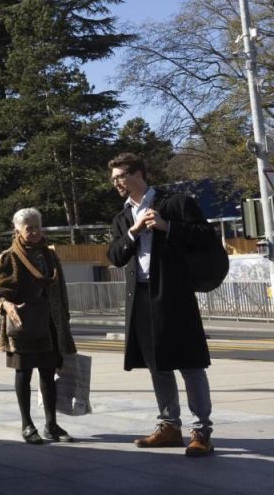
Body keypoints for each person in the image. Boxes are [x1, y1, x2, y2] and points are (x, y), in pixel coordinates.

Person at [106, 152, 216, 457]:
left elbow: (206, 237)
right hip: (139, 295)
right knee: (157, 365)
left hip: (174, 294)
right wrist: (134, 231)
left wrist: (168, 227)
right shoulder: (122, 217)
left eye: (121, 177)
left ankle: (202, 430)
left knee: (190, 363)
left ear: (139, 174)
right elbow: (115, 256)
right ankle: (169, 425)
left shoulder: (175, 203)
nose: (116, 183)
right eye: (113, 179)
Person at [0, 208, 77, 444]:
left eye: (37, 226)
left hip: (50, 323)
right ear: (17, 230)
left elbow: (61, 289)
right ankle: (27, 425)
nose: (35, 232)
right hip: (23, 324)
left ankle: (51, 424)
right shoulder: (9, 257)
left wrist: (65, 318)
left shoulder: (50, 255)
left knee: (48, 373)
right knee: (23, 373)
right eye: (29, 228)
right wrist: (6, 305)